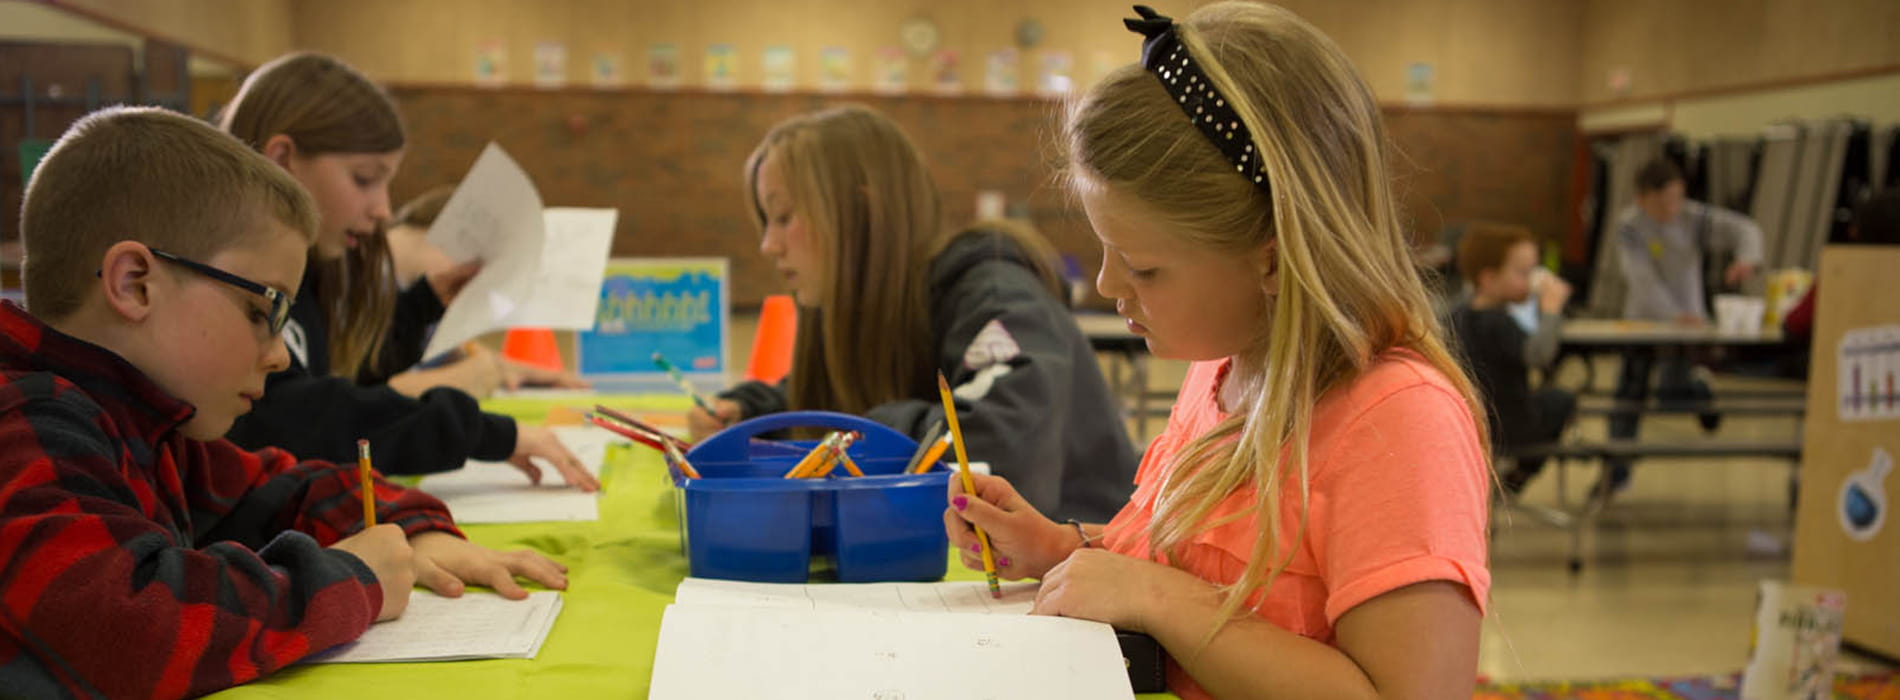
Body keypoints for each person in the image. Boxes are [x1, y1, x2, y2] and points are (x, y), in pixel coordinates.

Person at [944, 5, 1491, 699]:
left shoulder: (1399, 421)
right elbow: (1205, 569)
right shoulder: (1223, 367)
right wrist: (1062, 548)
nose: (1108, 285)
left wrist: (1156, 597)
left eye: (1143, 267)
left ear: (1274, 260)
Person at [0, 106, 569, 699]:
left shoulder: (150, 427)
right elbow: (133, 631)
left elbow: (278, 488)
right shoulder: (25, 427)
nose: (278, 355)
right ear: (134, 283)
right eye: (263, 311)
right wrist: (353, 578)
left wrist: (413, 532)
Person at [689, 105, 1138, 522]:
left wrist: (862, 430)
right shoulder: (867, 305)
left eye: (785, 217)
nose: (768, 245)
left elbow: (999, 455)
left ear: (862, 213)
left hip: (1083, 557)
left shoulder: (994, 291)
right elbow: (828, 401)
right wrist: (748, 415)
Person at [216, 53, 596, 490]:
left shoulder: (310, 278)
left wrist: (421, 306)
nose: (383, 209)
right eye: (364, 179)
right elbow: (306, 420)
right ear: (282, 159)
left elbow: (346, 382)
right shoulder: (232, 293)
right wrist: (481, 432)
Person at [1604, 158, 1765, 496]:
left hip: (1688, 325)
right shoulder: (1630, 226)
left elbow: (1745, 230)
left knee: (1671, 394)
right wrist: (1672, 313)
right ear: (1642, 198)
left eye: (1677, 199)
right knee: (1628, 395)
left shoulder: (1695, 218)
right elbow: (1640, 278)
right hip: (1644, 321)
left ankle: (1699, 392)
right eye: (1663, 202)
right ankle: (1617, 471)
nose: (1671, 209)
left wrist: (1746, 259)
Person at [371, 185, 585, 399]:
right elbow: (359, 391)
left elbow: (438, 354)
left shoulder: (410, 294)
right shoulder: (366, 287)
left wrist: (503, 367)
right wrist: (457, 379)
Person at [1450, 224, 1576, 497]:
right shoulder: (1498, 321)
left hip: (1470, 422)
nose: (1532, 281)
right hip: (1510, 426)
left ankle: (1507, 481)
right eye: (1523, 273)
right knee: (1561, 400)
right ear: (1488, 279)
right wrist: (1552, 309)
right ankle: (1517, 479)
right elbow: (1539, 355)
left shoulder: (1459, 314)